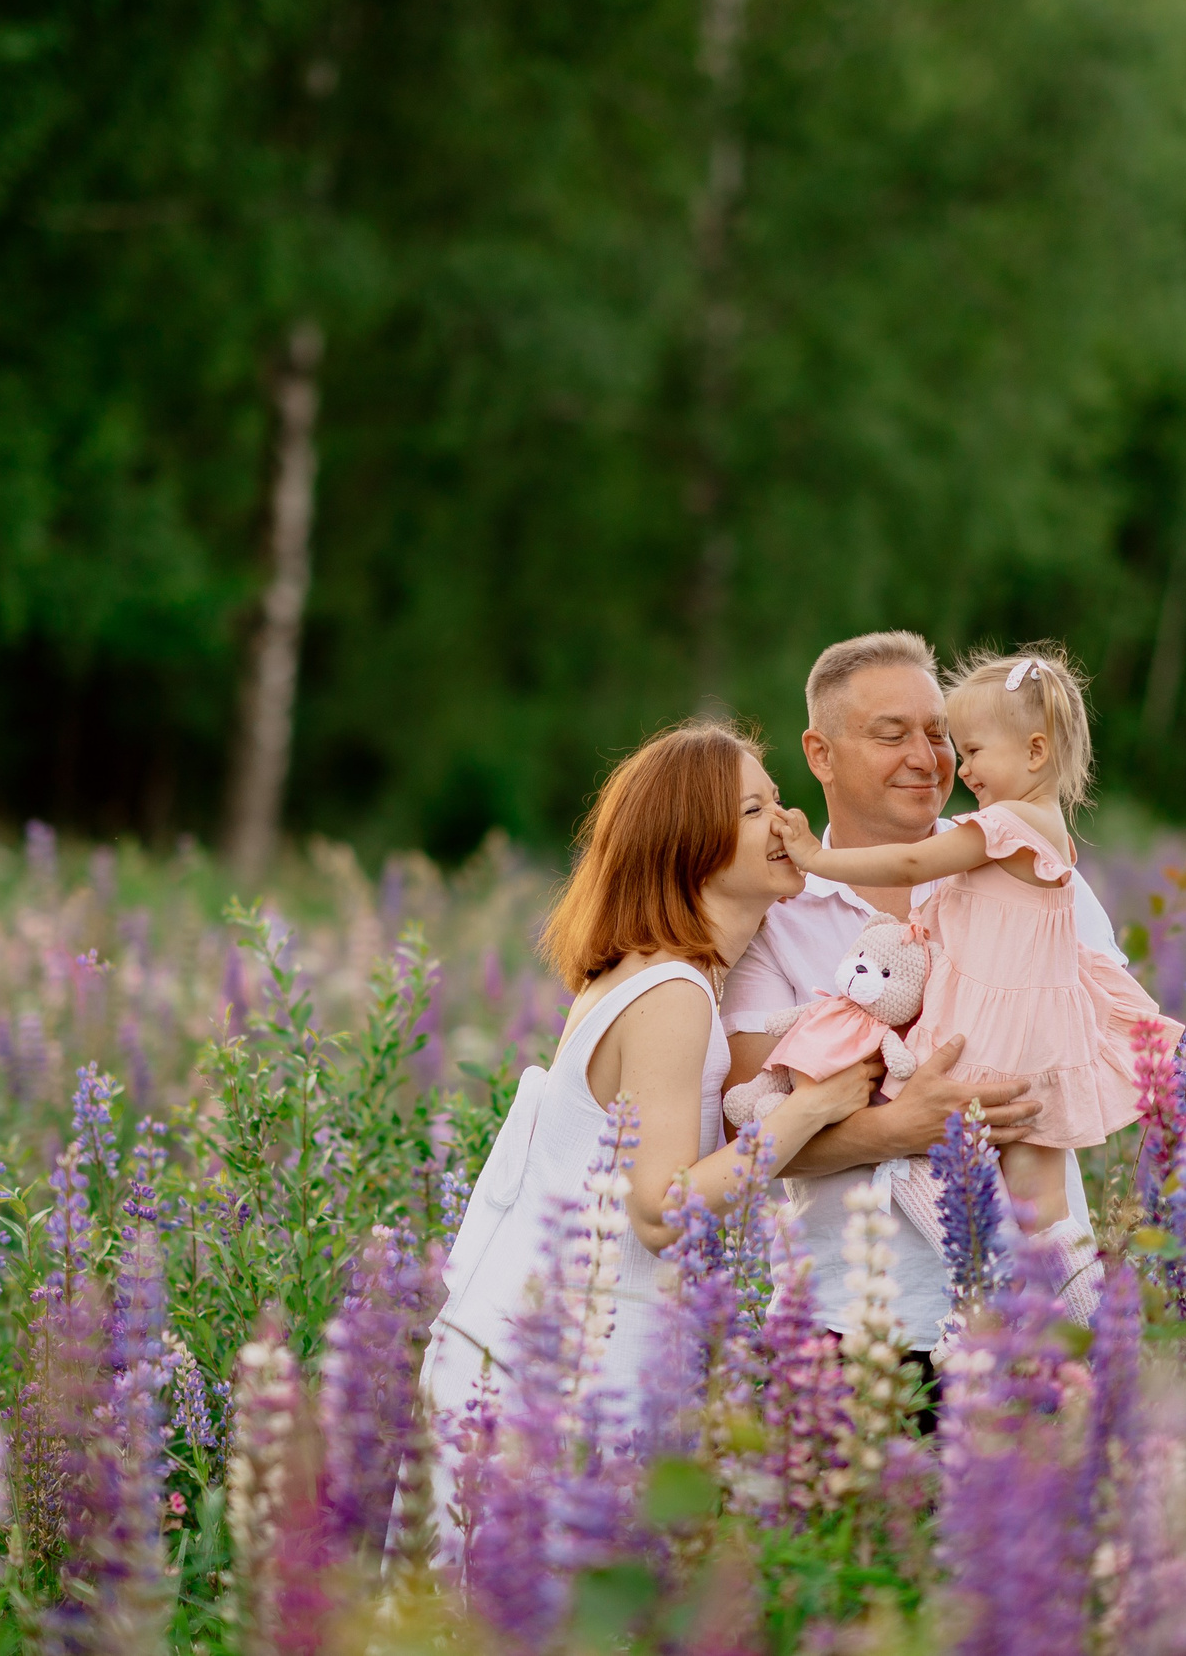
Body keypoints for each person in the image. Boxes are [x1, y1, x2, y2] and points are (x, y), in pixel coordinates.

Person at [422, 722, 872, 1506]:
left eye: (778, 800)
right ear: (690, 841)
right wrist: (813, 1108)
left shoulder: (647, 972)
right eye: (754, 810)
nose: (785, 823)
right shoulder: (672, 993)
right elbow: (662, 1210)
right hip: (561, 1370)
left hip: (528, 1350)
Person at [723, 632, 1138, 1362]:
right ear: (820, 754)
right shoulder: (775, 914)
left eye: (942, 734)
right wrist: (907, 1125)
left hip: (1032, 1323)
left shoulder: (1023, 866)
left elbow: (1095, 1036)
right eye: (893, 735)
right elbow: (750, 1134)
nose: (930, 757)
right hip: (855, 1321)